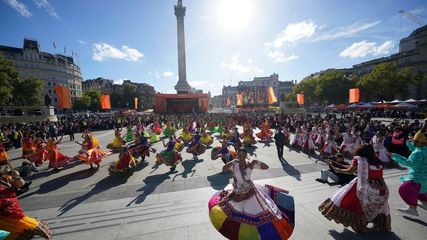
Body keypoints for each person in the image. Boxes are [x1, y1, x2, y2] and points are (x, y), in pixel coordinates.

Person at [208, 148, 295, 239]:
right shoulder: (234, 164)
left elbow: (266, 167)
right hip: (237, 192)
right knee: (231, 210)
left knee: (255, 211)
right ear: (237, 155)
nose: (241, 157)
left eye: (243, 155)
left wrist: (256, 162)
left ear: (246, 156)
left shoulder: (250, 164)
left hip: (250, 192)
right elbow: (224, 169)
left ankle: (253, 234)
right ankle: (241, 232)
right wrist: (231, 162)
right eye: (239, 155)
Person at [319, 144, 390, 233]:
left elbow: (351, 170)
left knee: (356, 205)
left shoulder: (359, 159)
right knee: (376, 206)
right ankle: (372, 221)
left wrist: (338, 170)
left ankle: (360, 225)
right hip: (380, 187)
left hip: (364, 186)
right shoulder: (377, 161)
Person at [0, 161, 51, 239]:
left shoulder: (4, 178)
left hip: (13, 211)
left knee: (22, 231)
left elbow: (20, 184)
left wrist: (16, 176)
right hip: (3, 218)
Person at [391, 130, 427, 216]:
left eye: (416, 141)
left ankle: (412, 209)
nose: (413, 141)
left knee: (404, 189)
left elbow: (409, 163)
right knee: (421, 191)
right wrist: (410, 145)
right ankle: (425, 204)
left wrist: (394, 156)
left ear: (423, 142)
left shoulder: (419, 152)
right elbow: (418, 149)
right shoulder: (423, 149)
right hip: (425, 177)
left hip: (418, 177)